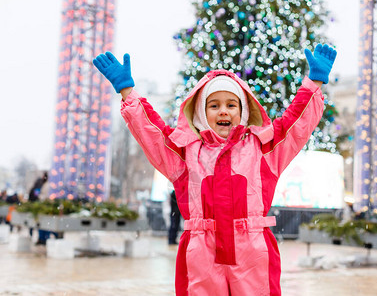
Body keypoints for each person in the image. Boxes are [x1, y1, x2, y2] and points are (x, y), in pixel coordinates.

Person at [94, 43, 336, 295]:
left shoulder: (264, 148)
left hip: (251, 252)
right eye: (214, 105)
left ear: (242, 112)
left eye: (232, 105)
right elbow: (153, 134)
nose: (223, 110)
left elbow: (294, 125)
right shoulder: (185, 153)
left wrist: (313, 84)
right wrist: (127, 92)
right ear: (201, 113)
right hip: (202, 253)